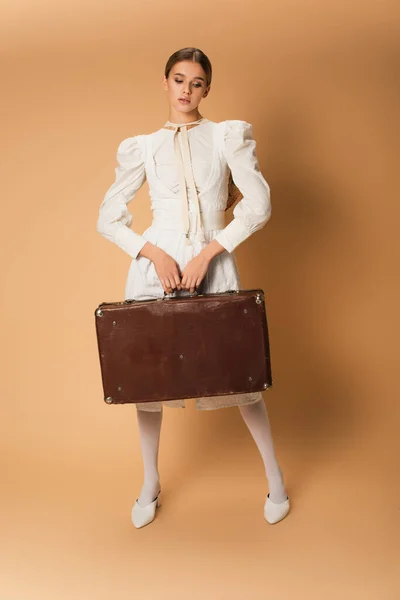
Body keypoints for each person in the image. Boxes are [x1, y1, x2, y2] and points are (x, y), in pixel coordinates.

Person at [96, 47, 290, 528]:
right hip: (154, 269)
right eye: (179, 80)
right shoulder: (142, 146)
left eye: (197, 82)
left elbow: (258, 206)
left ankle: (276, 479)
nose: (187, 90)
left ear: (207, 88)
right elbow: (108, 219)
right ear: (165, 83)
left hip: (213, 263)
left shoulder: (226, 137)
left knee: (241, 375)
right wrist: (153, 253)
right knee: (147, 383)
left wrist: (210, 252)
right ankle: (149, 482)